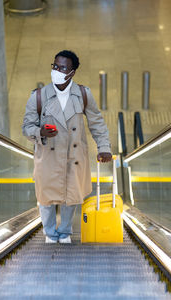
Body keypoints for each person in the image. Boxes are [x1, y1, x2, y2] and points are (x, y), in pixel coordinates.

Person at [22, 50, 112, 244]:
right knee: (46, 198)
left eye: (63, 67)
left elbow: (97, 123)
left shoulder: (82, 94)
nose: (57, 71)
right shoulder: (38, 96)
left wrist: (104, 147)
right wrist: (40, 132)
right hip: (47, 156)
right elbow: (27, 127)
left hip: (74, 155)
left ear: (72, 72)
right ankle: (49, 233)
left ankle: (64, 232)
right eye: (55, 66)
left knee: (71, 195)